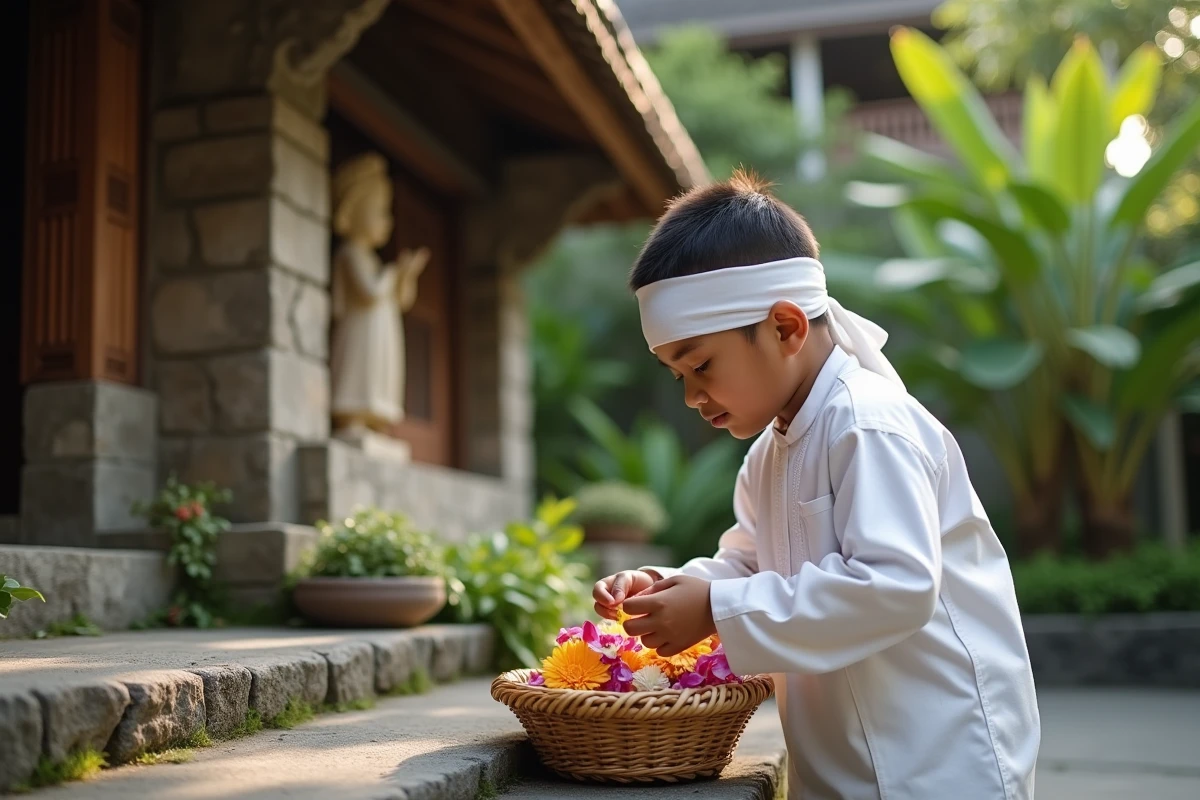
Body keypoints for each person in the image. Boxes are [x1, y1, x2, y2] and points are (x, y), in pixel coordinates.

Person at [593, 171, 1040, 799]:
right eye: (677, 375)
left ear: (785, 328)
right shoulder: (769, 455)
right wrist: (675, 588)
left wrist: (715, 610)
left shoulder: (869, 425)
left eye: (700, 365)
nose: (693, 395)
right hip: (840, 761)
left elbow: (898, 585)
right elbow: (745, 564)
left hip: (937, 761)